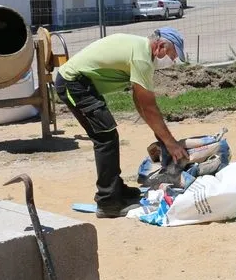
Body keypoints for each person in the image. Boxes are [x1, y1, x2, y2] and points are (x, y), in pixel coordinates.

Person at [55, 28, 190, 218]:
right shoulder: (142, 59)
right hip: (73, 82)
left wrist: (161, 136)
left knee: (108, 135)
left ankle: (115, 189)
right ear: (160, 46)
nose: (171, 61)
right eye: (171, 54)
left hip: (81, 83)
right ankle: (108, 202)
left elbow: (140, 102)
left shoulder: (141, 51)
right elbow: (149, 106)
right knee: (105, 138)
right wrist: (170, 143)